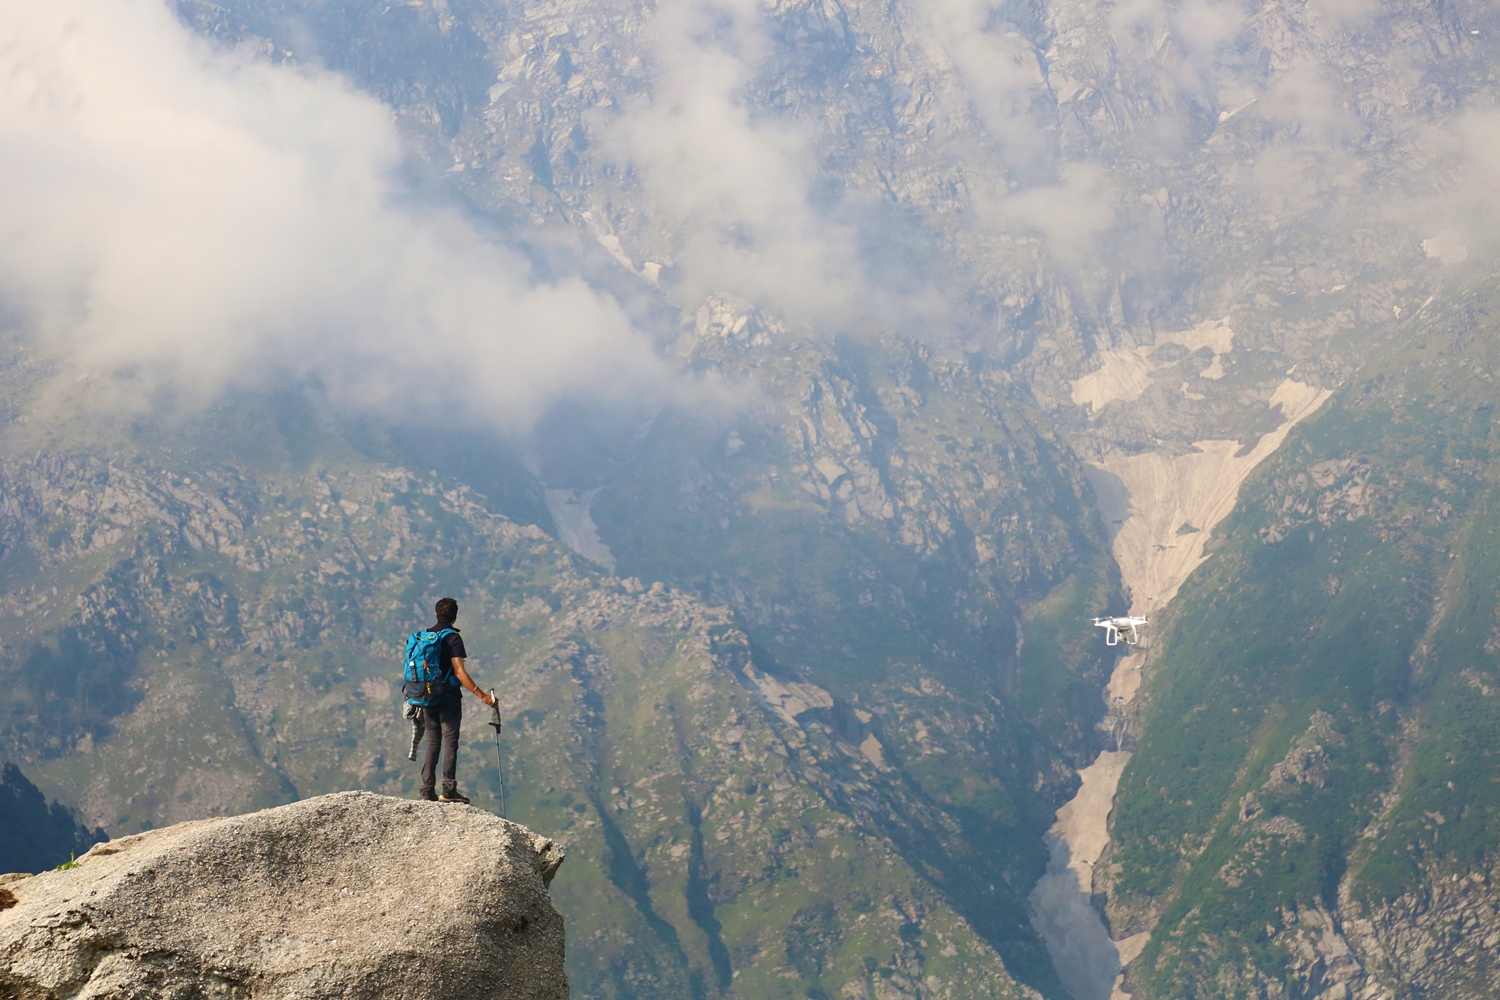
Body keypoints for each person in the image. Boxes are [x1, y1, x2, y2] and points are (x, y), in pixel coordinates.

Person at [417, 597, 496, 804]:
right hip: (448, 696)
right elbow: (460, 672)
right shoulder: (452, 638)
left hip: (426, 695)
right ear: (455, 616)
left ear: (436, 614)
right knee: (450, 741)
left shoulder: (425, 637)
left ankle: (427, 790)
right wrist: (483, 696)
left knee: (432, 743)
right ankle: (449, 790)